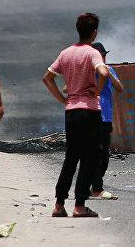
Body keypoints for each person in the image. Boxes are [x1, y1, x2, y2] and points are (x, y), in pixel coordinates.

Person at [42, 13, 109, 218]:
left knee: (70, 158)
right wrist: (97, 91)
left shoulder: (66, 53)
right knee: (89, 158)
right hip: (89, 111)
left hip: (71, 110)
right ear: (94, 32)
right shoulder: (92, 53)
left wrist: (63, 100)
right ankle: (79, 205)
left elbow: (47, 78)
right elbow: (104, 73)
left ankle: (59, 204)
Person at [90, 42, 123, 201]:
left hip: (106, 117)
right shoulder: (88, 72)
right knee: (97, 153)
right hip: (92, 115)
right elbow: (67, 88)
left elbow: (120, 88)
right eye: (101, 55)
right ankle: (97, 188)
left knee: (104, 155)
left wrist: (107, 73)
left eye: (104, 56)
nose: (103, 58)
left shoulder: (109, 70)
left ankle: (93, 185)